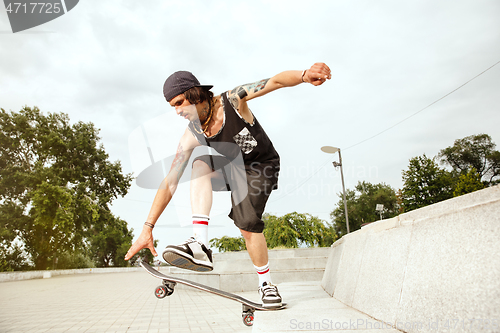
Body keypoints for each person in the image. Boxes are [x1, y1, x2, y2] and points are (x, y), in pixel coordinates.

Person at [125, 62, 331, 308]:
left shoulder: (233, 100)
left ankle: (266, 284)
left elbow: (274, 81)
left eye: (179, 103)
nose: (177, 111)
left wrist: (304, 76)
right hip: (232, 169)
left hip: (261, 166)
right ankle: (200, 243)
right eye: (173, 107)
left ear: (194, 94)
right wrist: (148, 227)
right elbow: (170, 180)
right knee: (199, 163)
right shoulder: (191, 133)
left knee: (247, 226)